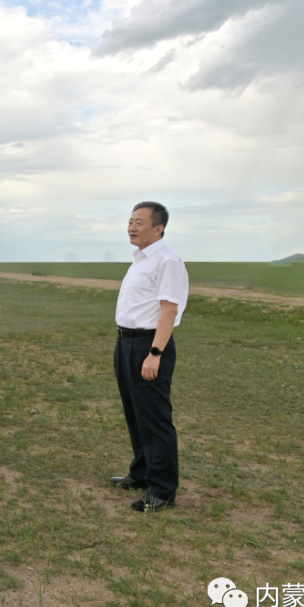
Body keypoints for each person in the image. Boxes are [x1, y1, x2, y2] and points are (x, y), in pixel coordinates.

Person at [110, 201, 189, 513]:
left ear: (159, 228)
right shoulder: (139, 260)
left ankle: (163, 491)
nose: (132, 226)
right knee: (135, 413)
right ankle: (142, 473)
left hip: (149, 345)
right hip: (127, 343)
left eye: (139, 222)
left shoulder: (167, 261)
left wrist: (155, 353)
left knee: (155, 418)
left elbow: (169, 310)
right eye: (130, 221)